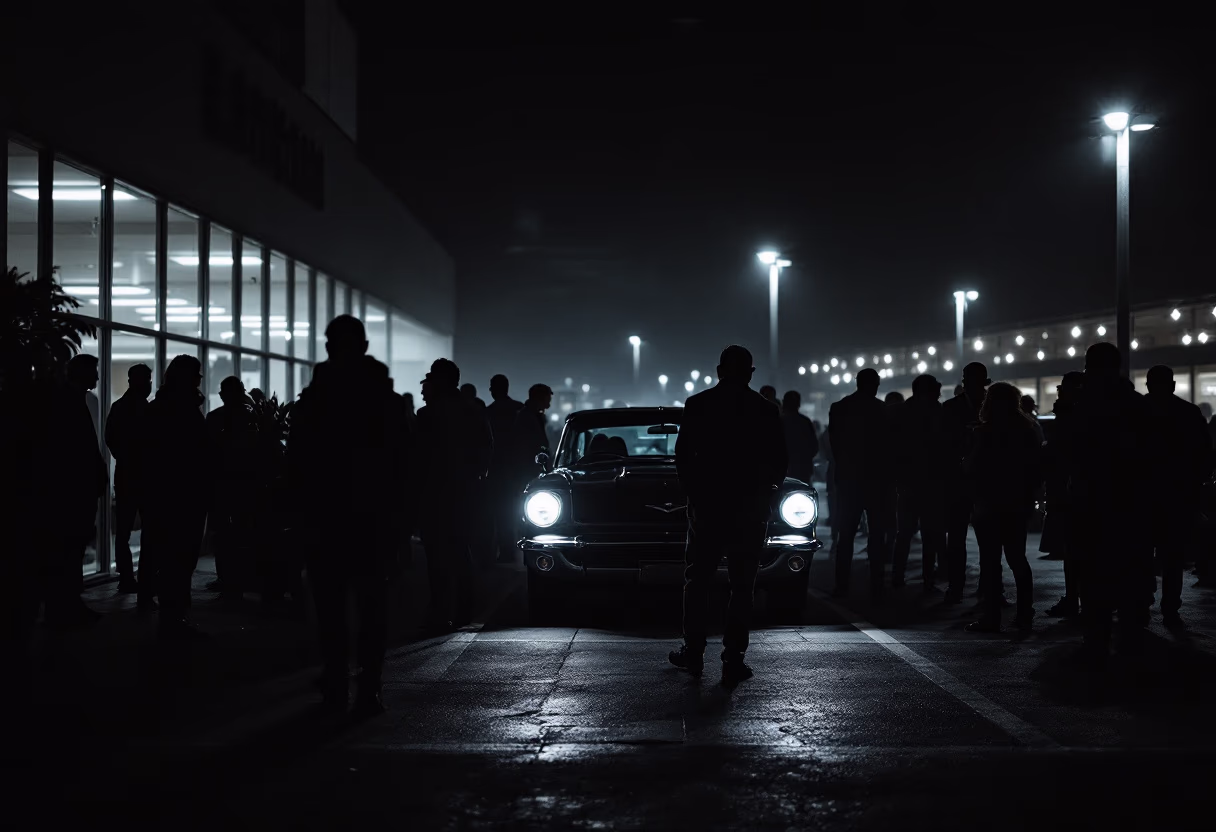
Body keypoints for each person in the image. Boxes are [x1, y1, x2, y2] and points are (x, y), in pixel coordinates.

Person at [287, 315, 409, 714]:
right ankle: (369, 686)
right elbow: (403, 464)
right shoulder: (384, 398)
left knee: (330, 608)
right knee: (372, 606)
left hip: (326, 516)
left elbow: (297, 460)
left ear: (328, 347)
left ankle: (337, 684)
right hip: (372, 517)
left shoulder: (316, 397)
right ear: (365, 345)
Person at [669, 345, 786, 686]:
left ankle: (693, 652)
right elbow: (779, 460)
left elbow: (682, 457)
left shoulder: (698, 405)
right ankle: (733, 657)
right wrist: (765, 491)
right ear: (750, 373)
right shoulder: (765, 409)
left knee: (698, 580)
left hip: (707, 507)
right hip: (749, 509)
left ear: (719, 371)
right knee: (742, 585)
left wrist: (694, 494)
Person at [1060, 343, 1151, 663]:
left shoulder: (1084, 408)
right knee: (1131, 570)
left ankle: (1097, 638)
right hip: (1132, 501)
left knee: (1093, 573)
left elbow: (1069, 453)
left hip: (1092, 501)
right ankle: (1132, 635)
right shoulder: (1137, 405)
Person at [415, 359, 494, 633]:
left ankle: (440, 611)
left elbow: (416, 460)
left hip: (434, 494)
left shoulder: (427, 416)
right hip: (466, 493)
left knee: (437, 557)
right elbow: (486, 452)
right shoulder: (474, 411)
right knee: (461, 551)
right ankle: (463, 610)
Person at [963, 383, 1042, 633]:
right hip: (1017, 502)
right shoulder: (1027, 430)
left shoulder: (984, 432)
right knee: (1017, 559)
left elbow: (973, 467)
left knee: (990, 561)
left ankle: (992, 617)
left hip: (989, 501)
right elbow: (1034, 469)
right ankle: (1025, 614)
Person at [140, 355, 210, 638]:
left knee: (171, 556)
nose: (200, 380)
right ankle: (175, 618)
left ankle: (174, 617)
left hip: (166, 494)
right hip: (183, 495)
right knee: (180, 557)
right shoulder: (182, 412)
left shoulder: (159, 409)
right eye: (197, 375)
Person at [35, 354, 107, 628]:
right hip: (71, 492)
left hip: (74, 490)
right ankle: (64, 606)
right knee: (68, 548)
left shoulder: (74, 401)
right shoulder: (68, 403)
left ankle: (67, 604)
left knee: (71, 549)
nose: (98, 378)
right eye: (94, 372)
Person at [1144, 365, 1213, 630]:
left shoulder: (1138, 412)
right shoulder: (1189, 413)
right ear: (1172, 385)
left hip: (1144, 496)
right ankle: (1170, 607)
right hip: (1179, 496)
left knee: (1141, 552)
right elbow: (1205, 457)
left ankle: (1144, 599)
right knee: (1173, 556)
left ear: (1148, 385)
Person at [828, 368, 896, 597]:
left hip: (850, 480)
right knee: (877, 535)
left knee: (845, 536)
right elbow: (889, 449)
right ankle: (877, 585)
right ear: (875, 384)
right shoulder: (882, 411)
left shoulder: (839, 408)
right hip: (877, 482)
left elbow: (835, 446)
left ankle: (841, 585)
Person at [205, 376, 264, 604]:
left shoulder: (215, 418)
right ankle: (238, 581)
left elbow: (207, 453)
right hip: (245, 485)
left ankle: (226, 580)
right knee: (242, 533)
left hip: (221, 485)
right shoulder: (253, 418)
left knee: (223, 534)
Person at [892, 374, 948, 592]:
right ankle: (928, 579)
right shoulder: (938, 412)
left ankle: (897, 576)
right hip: (932, 482)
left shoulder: (899, 413)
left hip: (907, 481)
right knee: (930, 534)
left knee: (904, 533)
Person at [941, 362, 990, 604]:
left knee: (981, 538)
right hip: (966, 479)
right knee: (963, 538)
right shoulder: (992, 406)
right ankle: (962, 586)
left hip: (975, 479)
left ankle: (978, 586)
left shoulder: (952, 407)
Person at [104, 363, 152, 594]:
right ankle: (143, 577)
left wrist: (124, 457)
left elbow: (110, 439)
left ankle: (127, 577)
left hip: (126, 475)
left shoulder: (119, 407)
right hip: (144, 477)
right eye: (148, 380)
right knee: (148, 530)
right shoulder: (147, 410)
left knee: (123, 530)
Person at [1042, 372, 1085, 617]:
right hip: (1079, 489)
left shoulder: (1070, 419)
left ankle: (1073, 599)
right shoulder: (1091, 414)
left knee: (1073, 550)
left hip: (1072, 489)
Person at [486, 374, 524, 563]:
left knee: (499, 513)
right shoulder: (519, 409)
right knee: (516, 512)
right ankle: (518, 549)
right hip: (517, 470)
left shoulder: (489, 412)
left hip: (496, 470)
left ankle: (504, 550)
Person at [512, 383, 555, 484]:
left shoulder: (531, 415)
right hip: (529, 467)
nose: (549, 399)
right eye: (547, 396)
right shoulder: (528, 416)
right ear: (540, 397)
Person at [781, 390, 819, 485]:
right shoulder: (805, 422)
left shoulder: (779, 422)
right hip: (802, 470)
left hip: (781, 470)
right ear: (798, 404)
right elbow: (814, 447)